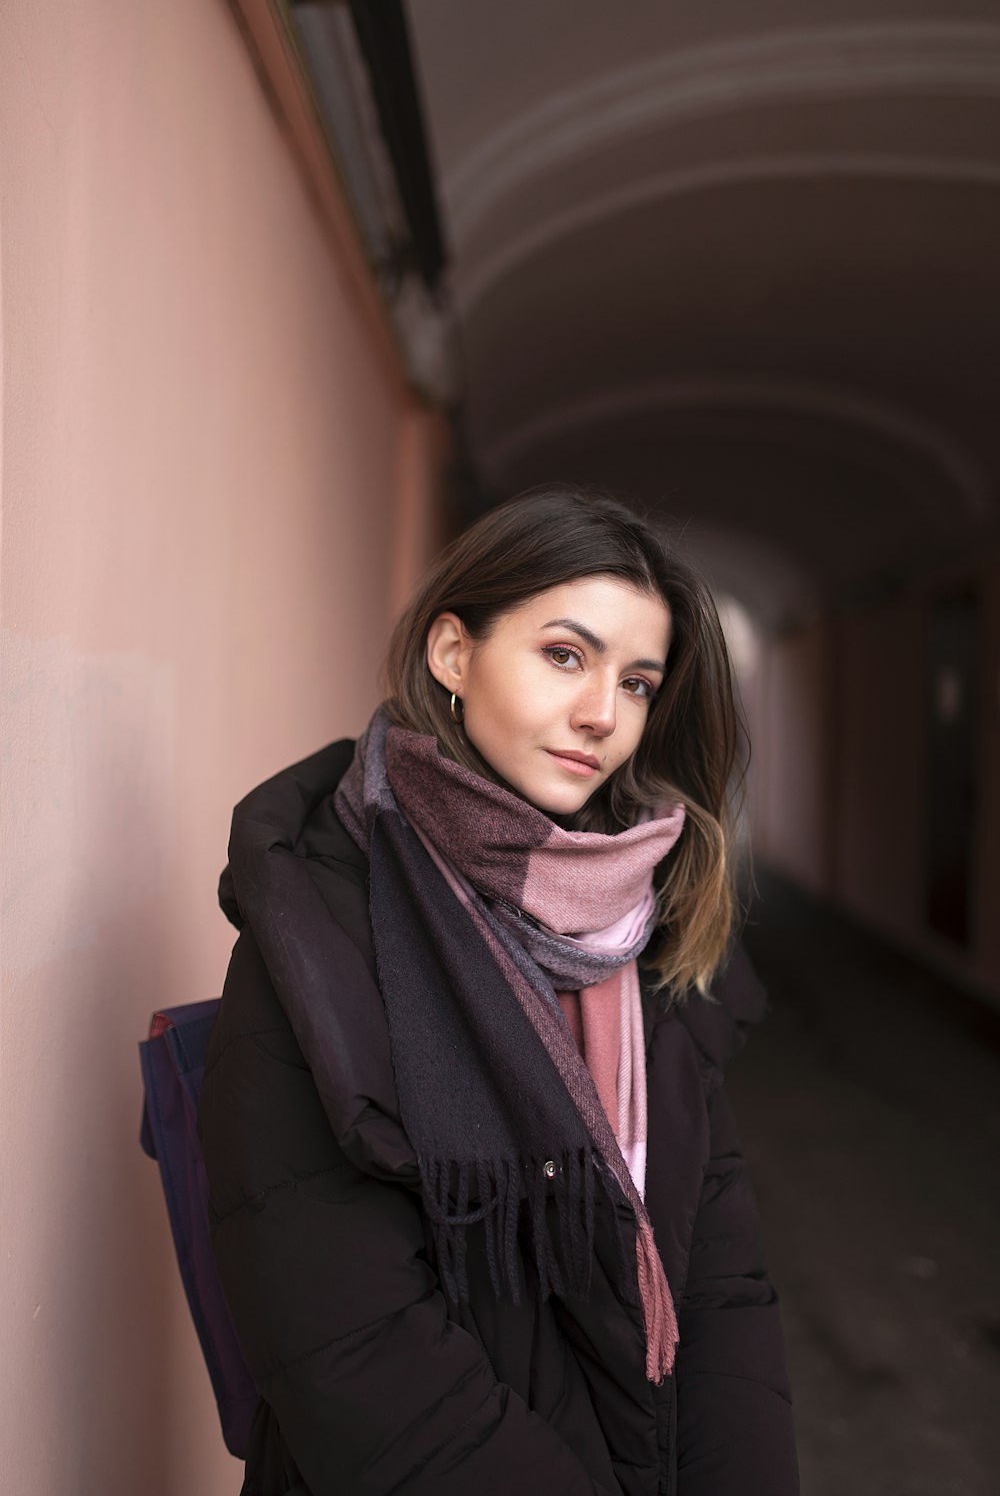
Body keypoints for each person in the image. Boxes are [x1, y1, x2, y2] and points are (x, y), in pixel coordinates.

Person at [197, 485, 800, 1496]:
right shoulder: (321, 928)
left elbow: (719, 1277)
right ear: (452, 653)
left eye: (639, 683)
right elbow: (348, 1336)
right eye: (564, 656)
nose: (602, 714)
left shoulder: (645, 930)